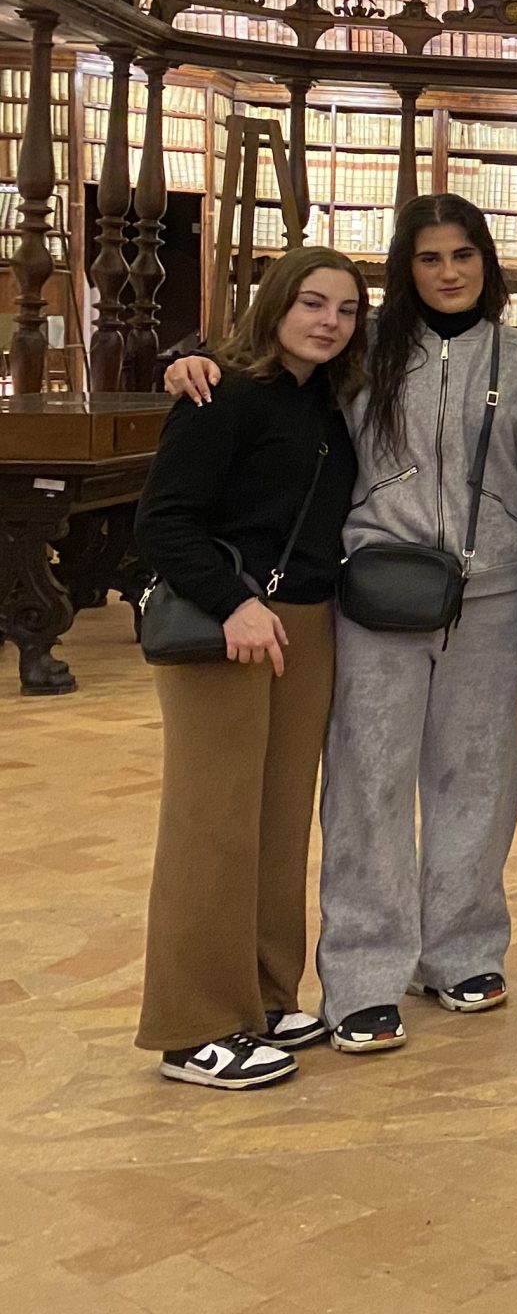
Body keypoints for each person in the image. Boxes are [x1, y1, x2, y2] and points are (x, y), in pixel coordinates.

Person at [169, 194, 517, 1055]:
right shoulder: (363, 355)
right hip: (377, 595)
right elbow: (276, 378)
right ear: (405, 268)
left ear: (486, 261)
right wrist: (191, 362)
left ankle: (459, 951)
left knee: (480, 781)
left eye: (464, 255)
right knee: (367, 785)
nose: (449, 271)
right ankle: (363, 975)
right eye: (429, 258)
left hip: (494, 601)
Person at [133, 248, 365, 1089]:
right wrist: (234, 602)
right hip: (224, 625)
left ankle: (264, 995)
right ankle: (194, 1026)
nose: (328, 321)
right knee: (211, 822)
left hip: (304, 622)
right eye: (312, 302)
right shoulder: (215, 391)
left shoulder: (331, 406)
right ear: (274, 306)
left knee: (276, 819)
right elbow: (164, 521)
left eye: (345, 309)